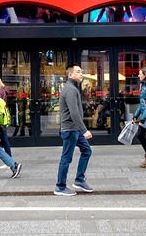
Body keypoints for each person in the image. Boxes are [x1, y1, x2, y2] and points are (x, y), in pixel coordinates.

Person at [54, 64, 93, 196]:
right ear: (70, 75)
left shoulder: (73, 88)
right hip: (71, 129)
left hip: (74, 129)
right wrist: (84, 130)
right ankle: (60, 186)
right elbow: (74, 113)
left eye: (81, 72)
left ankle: (79, 180)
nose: (81, 74)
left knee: (87, 151)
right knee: (66, 158)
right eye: (78, 72)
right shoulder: (70, 90)